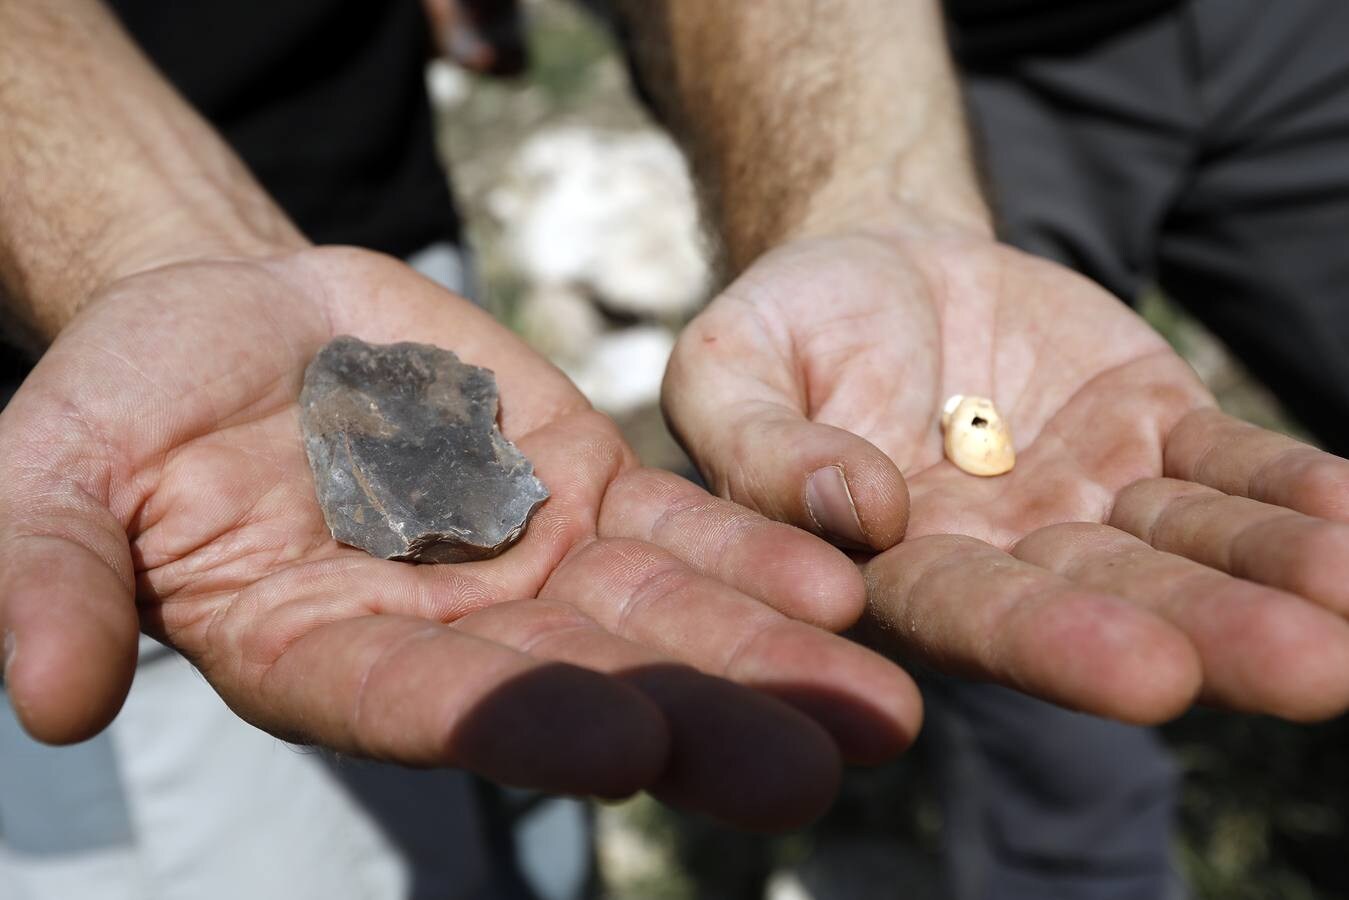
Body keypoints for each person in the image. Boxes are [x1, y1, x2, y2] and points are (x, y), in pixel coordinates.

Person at [3, 0, 1349, 896]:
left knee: (535, 803)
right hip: (131, 383)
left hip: (351, 207)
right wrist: (145, 244)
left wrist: (867, 195)